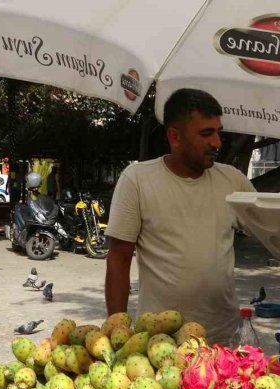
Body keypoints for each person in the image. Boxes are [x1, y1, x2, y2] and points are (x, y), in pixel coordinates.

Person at [104, 88, 256, 345]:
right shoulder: (138, 180)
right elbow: (118, 260)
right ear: (174, 137)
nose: (217, 143)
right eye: (206, 133)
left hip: (224, 338)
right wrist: (117, 334)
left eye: (218, 132)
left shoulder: (233, 181)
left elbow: (273, 232)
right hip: (160, 342)